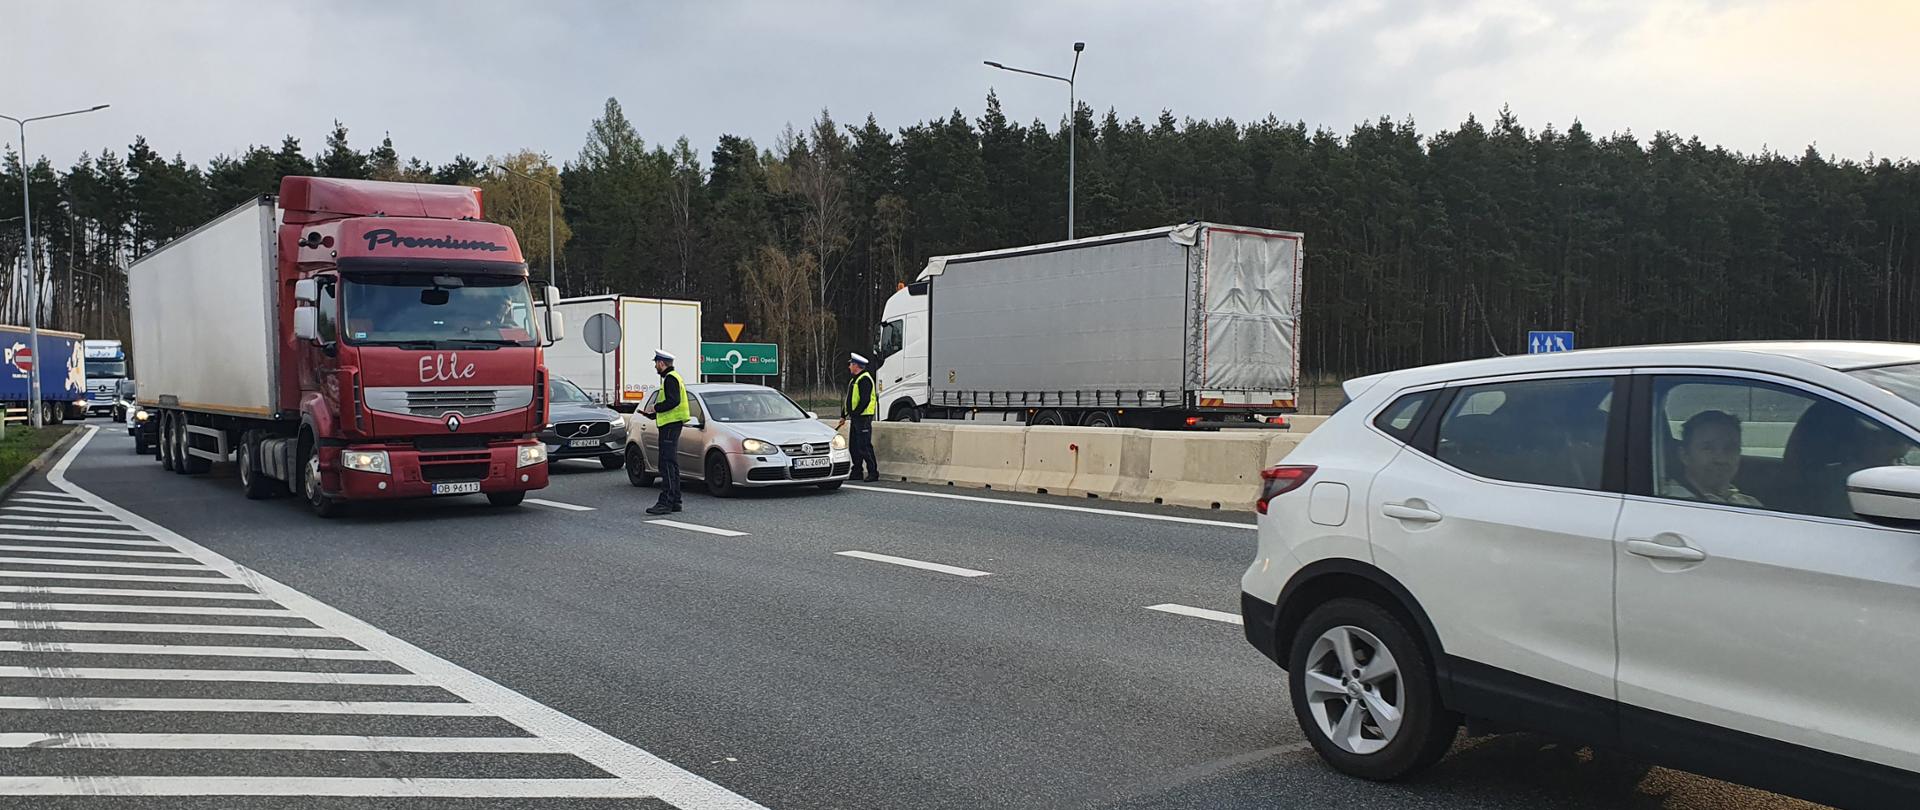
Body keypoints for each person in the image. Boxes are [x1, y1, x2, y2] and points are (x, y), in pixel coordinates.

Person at [1662, 410, 1763, 507]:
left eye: (1730, 448)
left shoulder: (1751, 504)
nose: (1721, 459)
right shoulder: (1670, 503)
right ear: (1684, 455)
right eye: (1708, 448)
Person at [642, 350, 690, 515]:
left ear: (661, 363)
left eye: (656, 363)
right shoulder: (674, 377)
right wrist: (654, 414)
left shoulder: (670, 379)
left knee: (666, 463)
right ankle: (676, 500)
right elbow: (672, 402)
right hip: (672, 424)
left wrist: (656, 407)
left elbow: (673, 401)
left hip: (670, 426)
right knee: (672, 464)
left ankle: (666, 502)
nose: (655, 366)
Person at [835, 353, 879, 482]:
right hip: (855, 418)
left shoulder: (865, 379)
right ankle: (857, 471)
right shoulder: (854, 379)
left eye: (850, 364)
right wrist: (844, 415)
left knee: (864, 446)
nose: (849, 367)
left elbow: (864, 400)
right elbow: (849, 400)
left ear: (856, 365)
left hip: (863, 418)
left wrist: (855, 413)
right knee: (854, 446)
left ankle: (873, 472)